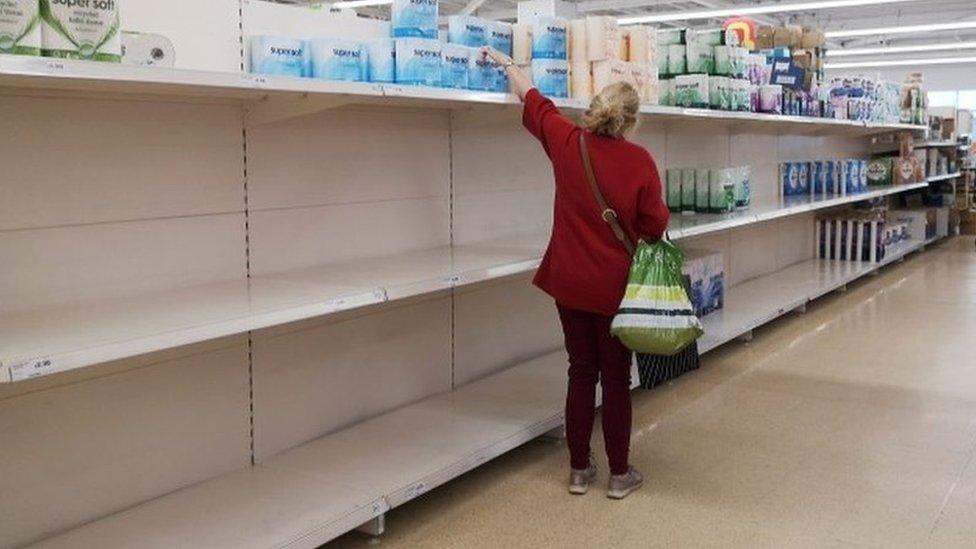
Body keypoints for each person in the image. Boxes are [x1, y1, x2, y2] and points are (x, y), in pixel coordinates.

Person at [482, 47, 670, 499]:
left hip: (568, 282)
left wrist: (509, 66)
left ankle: (579, 470)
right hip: (614, 288)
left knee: (580, 371)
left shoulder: (568, 143)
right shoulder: (640, 161)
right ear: (629, 121)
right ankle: (620, 474)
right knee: (616, 378)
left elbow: (534, 102)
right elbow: (655, 225)